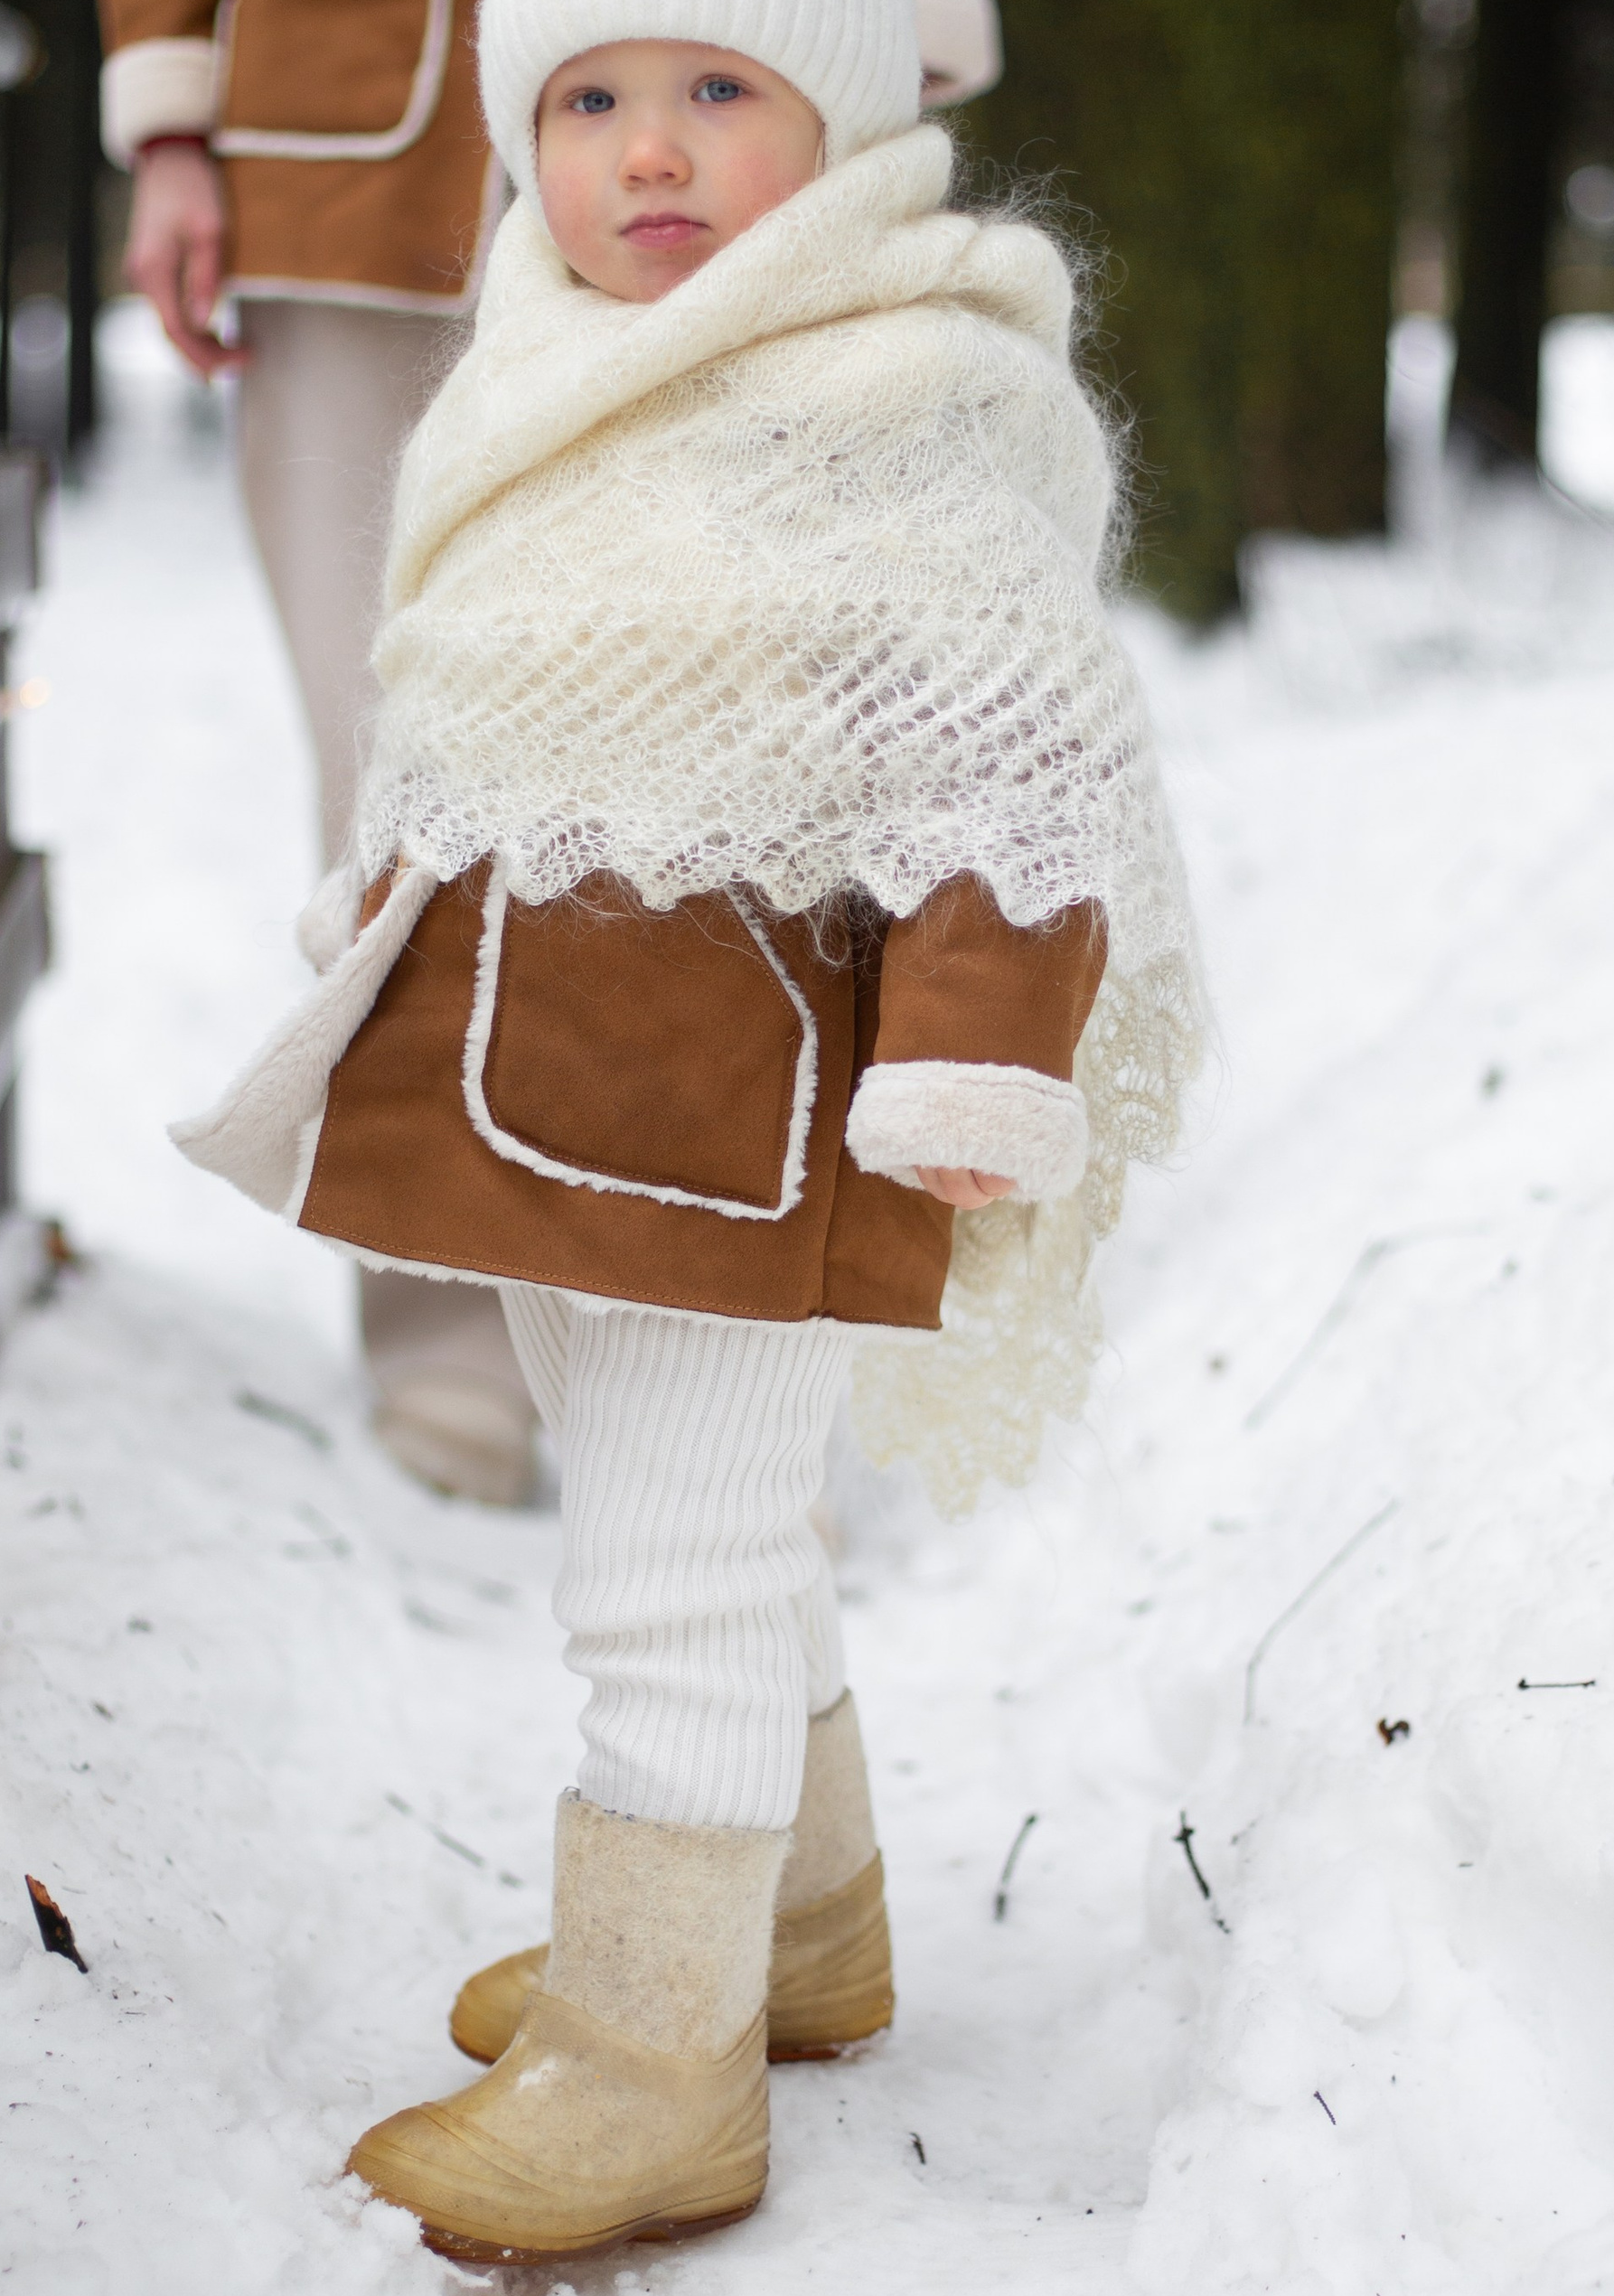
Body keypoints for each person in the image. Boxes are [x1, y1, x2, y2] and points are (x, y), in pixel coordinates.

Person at [172, 0, 1200, 2264]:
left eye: (715, 88)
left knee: (671, 1567)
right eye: (585, 101)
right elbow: (463, 672)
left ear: (833, 110)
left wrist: (970, 1050)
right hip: (551, 1099)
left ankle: (654, 2058)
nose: (647, 152)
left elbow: (1010, 759)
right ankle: (794, 1931)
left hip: (754, 1116)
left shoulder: (889, 391)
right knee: (702, 1517)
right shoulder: (534, 365)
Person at [101, 0, 1004, 1506]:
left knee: (759, 749)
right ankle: (447, 1327)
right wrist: (173, 125)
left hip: (739, 88)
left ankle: (723, 1331)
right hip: (351, 148)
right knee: (395, 769)